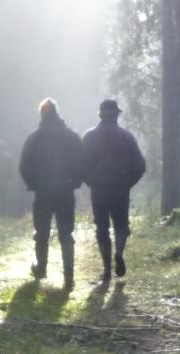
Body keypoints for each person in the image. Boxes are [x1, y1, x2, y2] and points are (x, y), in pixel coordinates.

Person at [18, 98, 84, 288]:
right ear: (57, 113)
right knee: (66, 232)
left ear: (42, 114)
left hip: (43, 192)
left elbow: (24, 165)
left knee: (42, 231)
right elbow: (82, 162)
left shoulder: (35, 137)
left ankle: (41, 269)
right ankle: (69, 277)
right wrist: (75, 182)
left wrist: (33, 184)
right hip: (65, 190)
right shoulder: (71, 136)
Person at [81, 98, 146, 284]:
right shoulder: (127, 137)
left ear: (100, 114)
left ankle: (106, 271)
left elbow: (81, 164)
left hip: (99, 189)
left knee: (102, 227)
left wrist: (91, 181)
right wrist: (128, 182)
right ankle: (119, 253)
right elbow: (141, 165)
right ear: (117, 115)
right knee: (121, 226)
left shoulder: (90, 136)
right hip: (120, 189)